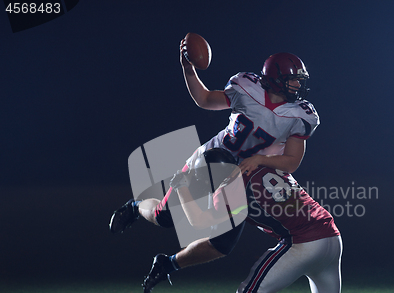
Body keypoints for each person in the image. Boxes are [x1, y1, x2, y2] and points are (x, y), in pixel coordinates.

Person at [140, 148, 394, 293]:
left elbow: (198, 221)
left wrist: (183, 188)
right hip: (331, 235)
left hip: (301, 242)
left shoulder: (230, 189)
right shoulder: (261, 165)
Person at [109, 37, 320, 253]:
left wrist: (259, 160)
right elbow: (205, 99)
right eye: (293, 80)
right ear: (275, 79)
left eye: (299, 80)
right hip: (211, 161)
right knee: (164, 217)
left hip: (247, 176)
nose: (298, 85)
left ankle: (171, 264)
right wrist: (189, 70)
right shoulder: (247, 88)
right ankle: (136, 207)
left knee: (222, 241)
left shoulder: (300, 115)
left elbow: (292, 162)